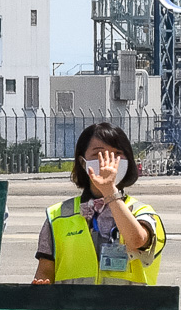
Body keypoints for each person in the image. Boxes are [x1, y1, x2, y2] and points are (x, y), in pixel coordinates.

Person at [34, 123, 164, 286]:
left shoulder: (141, 211)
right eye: (99, 154)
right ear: (83, 162)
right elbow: (45, 271)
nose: (107, 162)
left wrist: (110, 192)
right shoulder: (58, 215)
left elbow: (137, 240)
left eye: (117, 154)